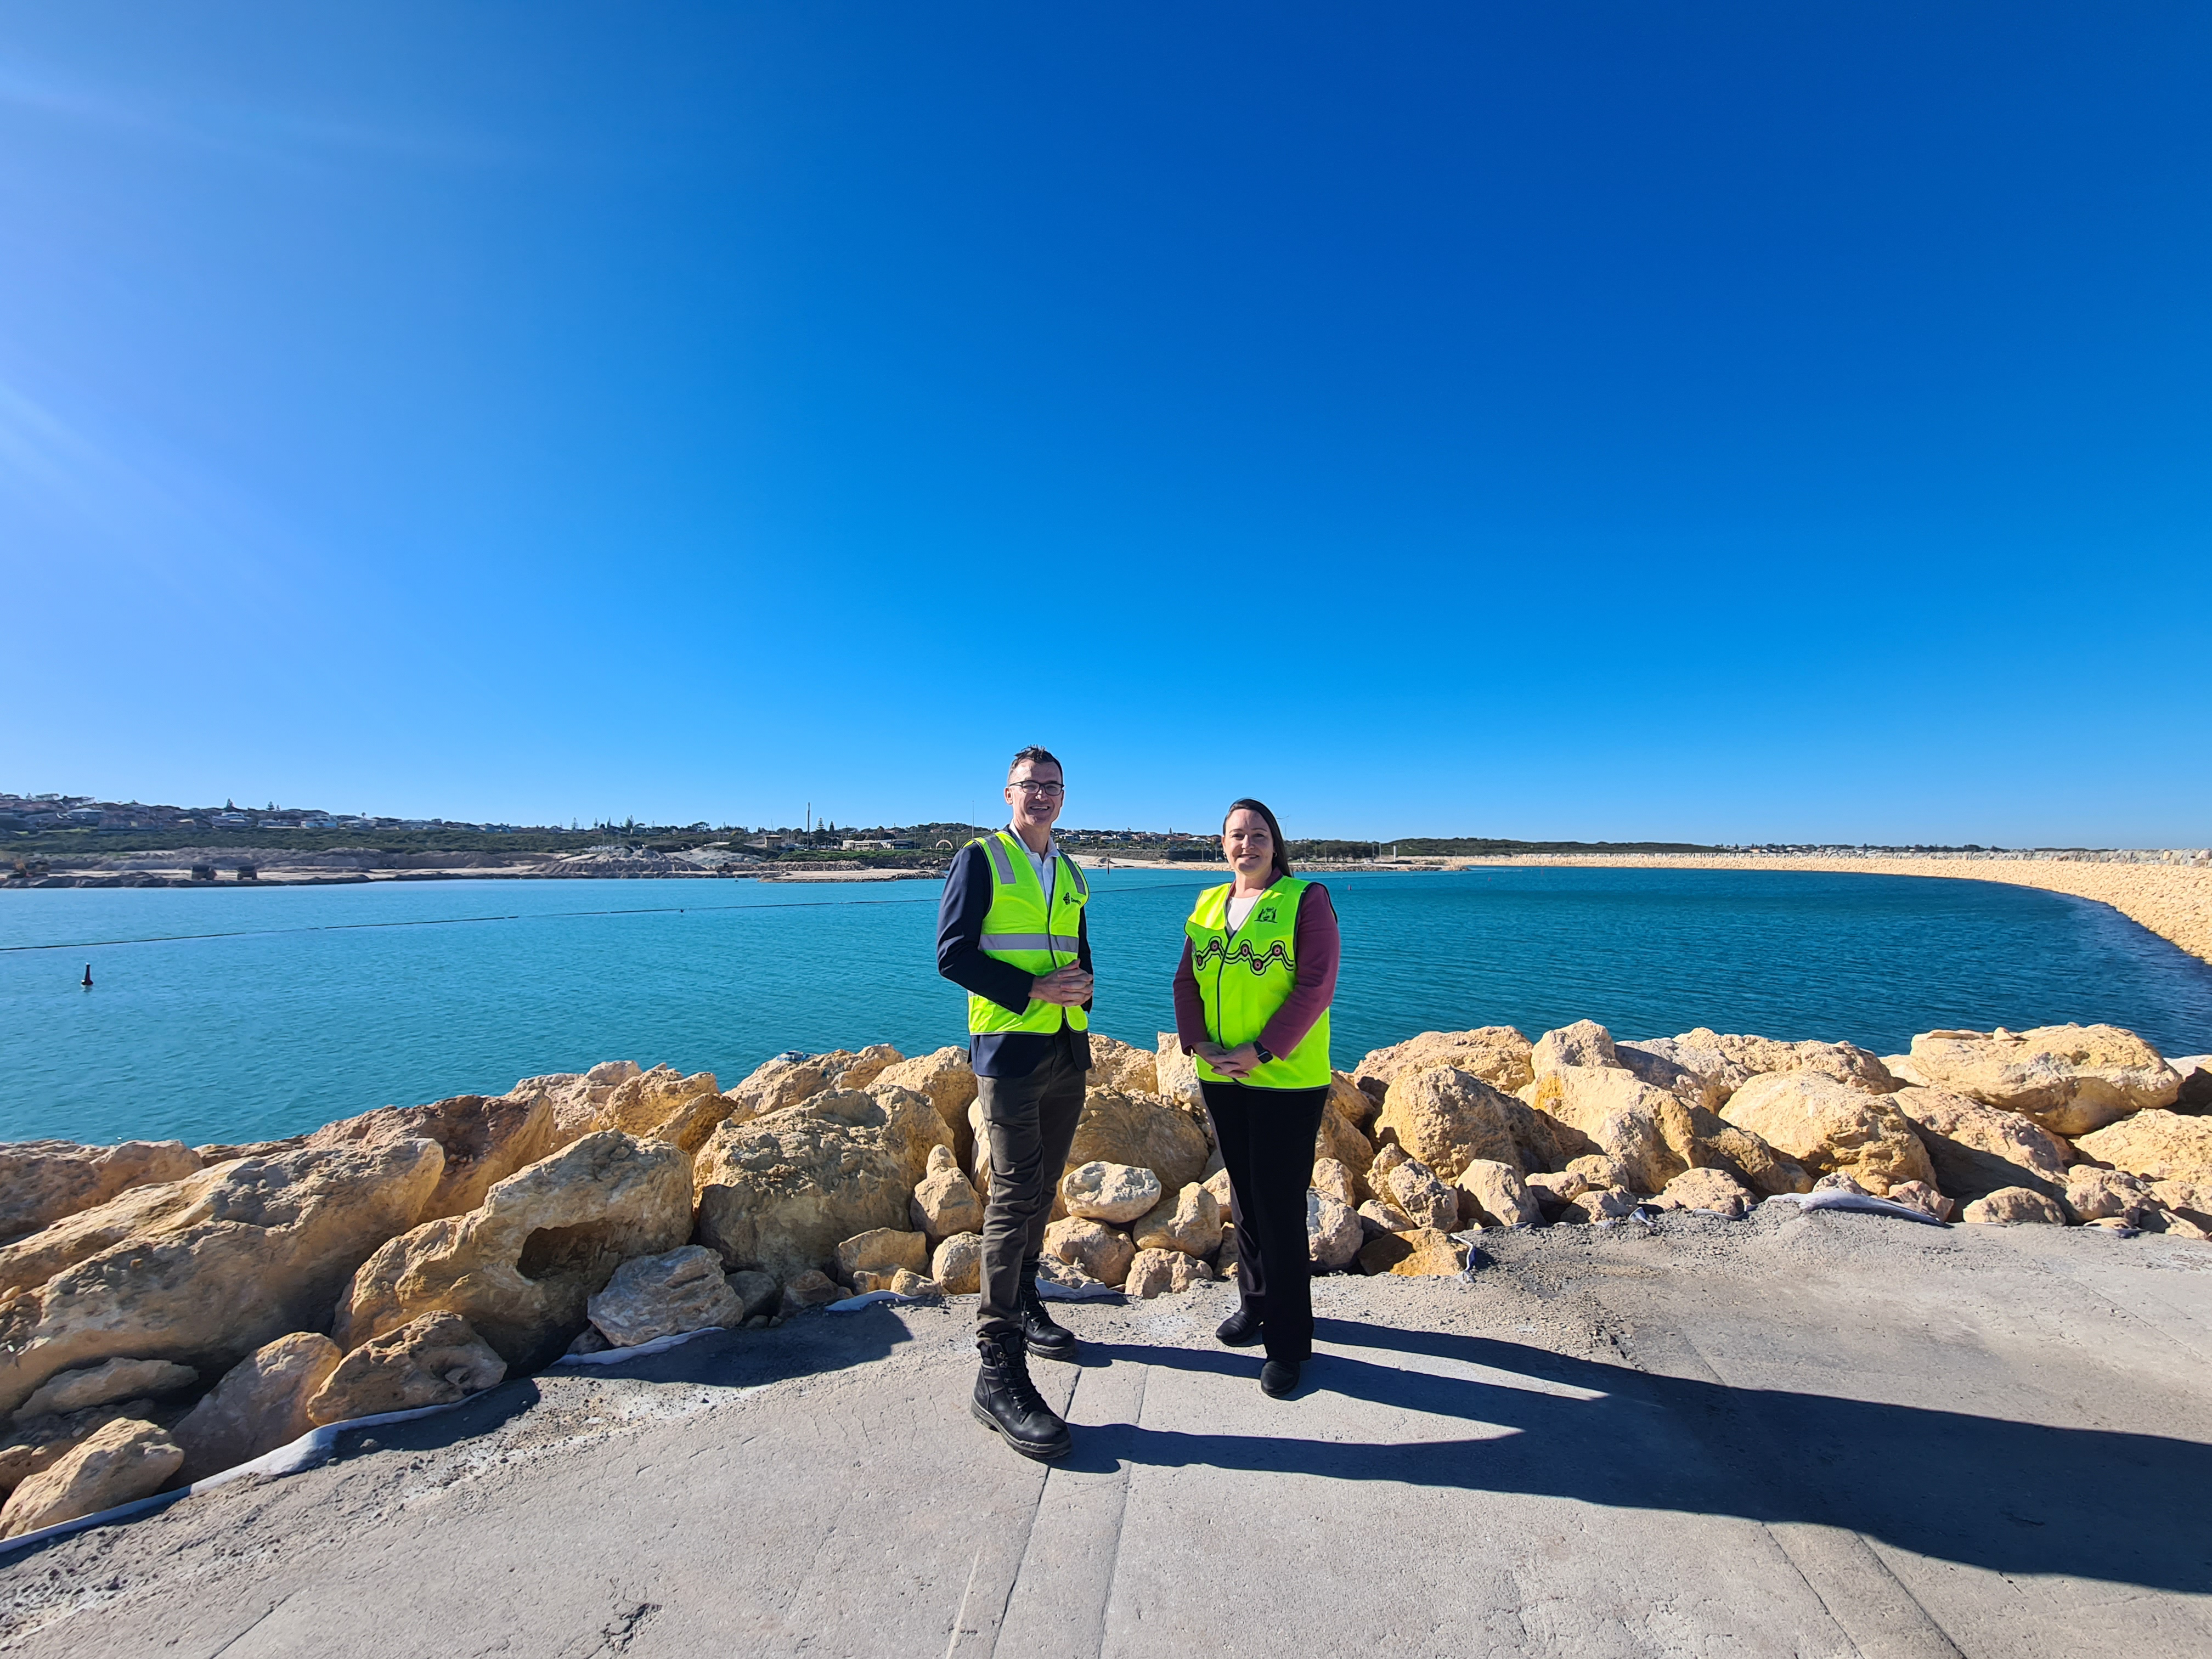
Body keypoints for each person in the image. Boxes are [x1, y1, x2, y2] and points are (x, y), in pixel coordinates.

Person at [935, 746, 1093, 1460]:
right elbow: (953, 954)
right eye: (1031, 785)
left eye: (1053, 787)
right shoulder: (980, 859)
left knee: (1043, 1190)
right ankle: (996, 1369)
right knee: (1015, 1195)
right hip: (1007, 1054)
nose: (1043, 796)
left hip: (1066, 1054)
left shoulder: (1073, 870)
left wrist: (1082, 989)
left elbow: (1078, 955)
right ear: (1008, 793)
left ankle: (1025, 1302)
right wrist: (1032, 991)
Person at [1173, 798, 1339, 1398]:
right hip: (1222, 1077)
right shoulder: (1208, 903)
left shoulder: (1305, 900)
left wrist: (1264, 1051)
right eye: (1237, 836)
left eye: (1258, 834)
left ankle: (1290, 1344)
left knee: (1278, 1208)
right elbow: (1187, 979)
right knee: (1243, 1199)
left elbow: (1316, 985)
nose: (1248, 844)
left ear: (1275, 842)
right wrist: (1198, 1044)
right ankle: (1256, 1304)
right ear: (1223, 846)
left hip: (1285, 1080)